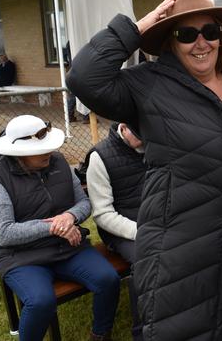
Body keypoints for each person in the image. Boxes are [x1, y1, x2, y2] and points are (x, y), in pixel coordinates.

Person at [66, 0, 222, 340]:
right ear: (170, 40)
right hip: (181, 249)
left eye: (210, 32)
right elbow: (83, 77)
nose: (202, 43)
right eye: (186, 34)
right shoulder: (147, 86)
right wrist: (139, 27)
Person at [0, 115, 120, 341]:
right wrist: (56, 226)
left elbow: (83, 203)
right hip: (22, 257)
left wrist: (70, 216)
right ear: (19, 153)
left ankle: (100, 335)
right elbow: (5, 234)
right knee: (41, 301)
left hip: (67, 248)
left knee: (108, 279)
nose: (49, 152)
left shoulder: (59, 162)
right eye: (42, 149)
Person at [86, 122, 145, 341]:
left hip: (155, 221)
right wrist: (142, 231)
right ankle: (143, 333)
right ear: (124, 127)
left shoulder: (156, 142)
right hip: (122, 230)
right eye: (140, 134)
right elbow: (102, 215)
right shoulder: (99, 157)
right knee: (146, 260)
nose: (145, 141)